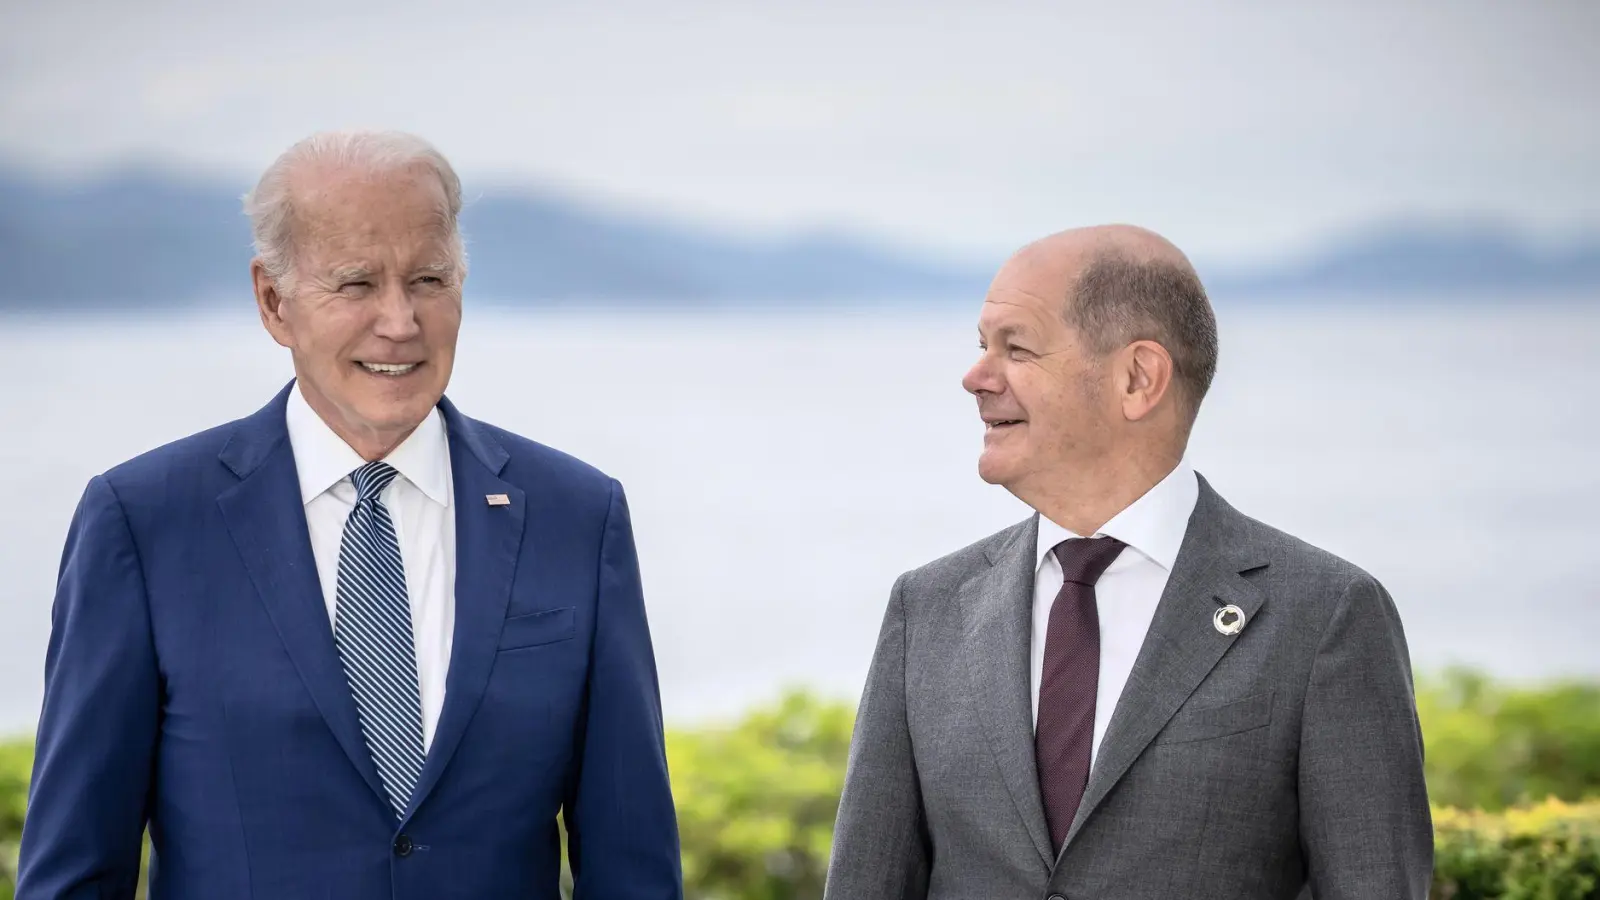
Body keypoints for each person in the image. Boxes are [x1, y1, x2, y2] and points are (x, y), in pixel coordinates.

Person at [17, 130, 683, 900]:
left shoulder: (578, 515)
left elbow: (634, 869)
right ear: (274, 301)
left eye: (429, 279)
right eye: (357, 284)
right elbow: (73, 875)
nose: (400, 321)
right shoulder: (143, 522)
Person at [824, 225, 1432, 899]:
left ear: (1138, 379)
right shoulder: (927, 607)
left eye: (1015, 348)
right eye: (981, 346)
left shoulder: (1325, 616)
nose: (975, 377)